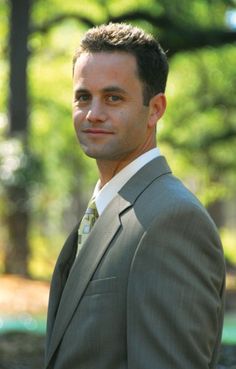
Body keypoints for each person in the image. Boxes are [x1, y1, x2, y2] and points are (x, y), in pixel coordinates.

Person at [45, 23, 225, 369]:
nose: (93, 113)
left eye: (114, 97)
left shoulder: (172, 220)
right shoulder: (105, 208)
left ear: (155, 109)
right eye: (83, 97)